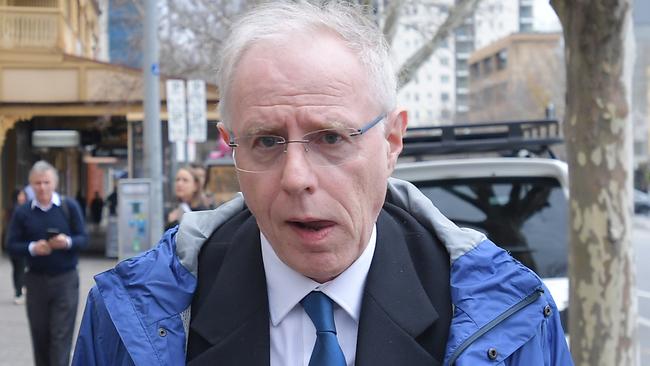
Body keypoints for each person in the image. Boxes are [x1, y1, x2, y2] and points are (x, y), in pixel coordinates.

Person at [72, 2, 572, 365]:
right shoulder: (131, 316)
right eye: (267, 141)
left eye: (331, 137)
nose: (296, 178)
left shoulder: (511, 319)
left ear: (393, 141)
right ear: (231, 145)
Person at [7, 160, 87, 366]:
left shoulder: (69, 207)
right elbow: (11, 244)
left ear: (55, 183)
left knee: (61, 336)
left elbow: (83, 239)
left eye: (46, 182)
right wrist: (33, 248)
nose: (42, 187)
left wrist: (66, 242)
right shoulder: (23, 212)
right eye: (37, 183)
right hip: (35, 280)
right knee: (40, 335)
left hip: (65, 280)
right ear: (30, 185)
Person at [165, 165, 210, 229]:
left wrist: (174, 223)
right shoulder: (172, 210)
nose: (179, 184)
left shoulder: (203, 213)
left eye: (185, 180)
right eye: (177, 179)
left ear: (195, 186)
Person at [4, 188, 28, 305]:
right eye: (20, 195)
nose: (22, 197)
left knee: (18, 269)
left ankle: (19, 289)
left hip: (17, 244)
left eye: (23, 194)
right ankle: (18, 292)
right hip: (18, 245)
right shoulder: (17, 210)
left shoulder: (16, 209)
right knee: (19, 269)